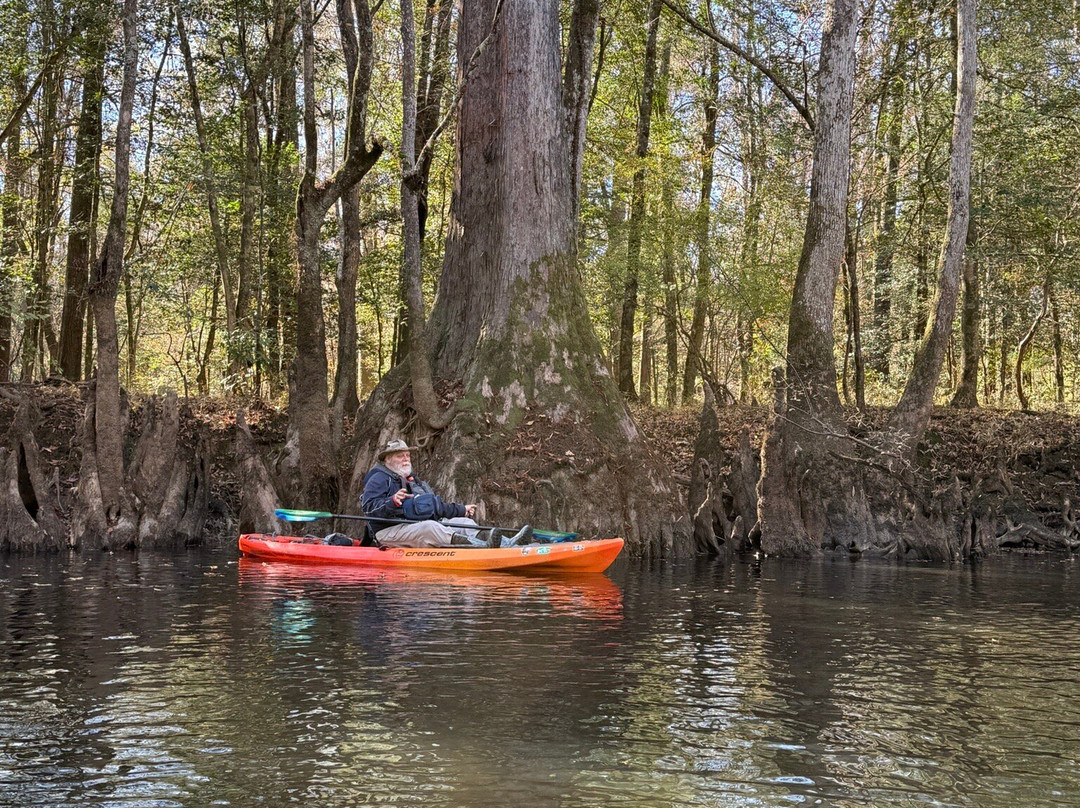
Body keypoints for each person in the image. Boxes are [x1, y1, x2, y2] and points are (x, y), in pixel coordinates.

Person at [361, 439, 532, 548]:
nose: (406, 459)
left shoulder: (414, 481)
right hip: (387, 531)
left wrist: (461, 509)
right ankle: (482, 548)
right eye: (400, 456)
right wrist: (392, 501)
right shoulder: (378, 478)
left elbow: (435, 507)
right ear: (387, 460)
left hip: (415, 525)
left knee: (464, 522)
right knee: (430, 527)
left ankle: (507, 544)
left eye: (407, 455)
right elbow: (368, 508)